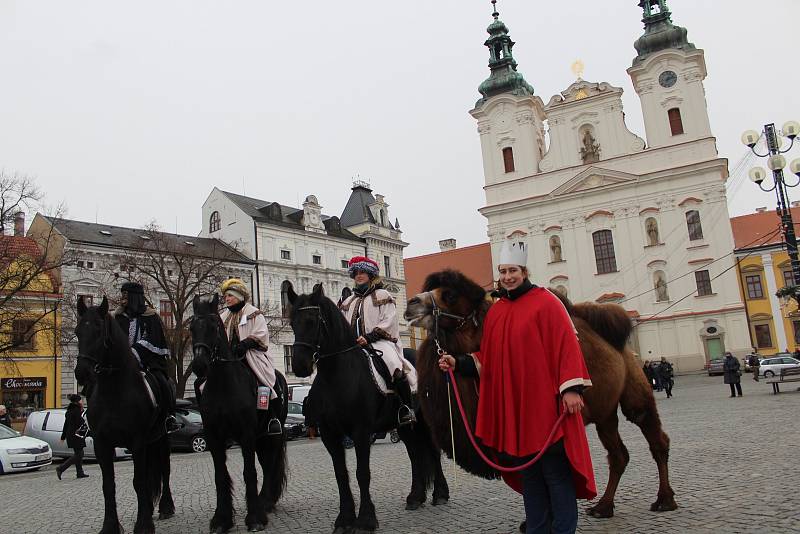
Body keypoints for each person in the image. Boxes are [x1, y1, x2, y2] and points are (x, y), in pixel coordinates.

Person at [439, 241, 595, 534]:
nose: (508, 276)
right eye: (503, 272)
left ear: (524, 271)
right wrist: (458, 362)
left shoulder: (548, 302)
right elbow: (491, 359)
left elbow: (566, 347)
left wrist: (572, 389)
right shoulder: (497, 313)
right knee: (531, 478)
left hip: (546, 408)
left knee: (555, 475)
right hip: (518, 412)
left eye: (513, 270)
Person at [339, 256, 417, 426]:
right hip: (354, 346)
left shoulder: (383, 295)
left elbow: (389, 321)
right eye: (356, 273)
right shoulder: (348, 301)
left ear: (370, 275)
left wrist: (368, 338)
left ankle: (406, 407)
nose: (359, 276)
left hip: (380, 341)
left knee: (393, 363)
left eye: (363, 272)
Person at [113, 282, 180, 433]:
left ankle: (169, 416)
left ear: (134, 297)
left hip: (147, 362)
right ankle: (88, 419)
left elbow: (153, 337)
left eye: (126, 295)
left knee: (163, 382)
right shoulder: (117, 317)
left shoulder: (151, 316)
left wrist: (134, 352)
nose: (123, 298)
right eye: (122, 294)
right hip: (121, 363)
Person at [219, 278, 282, 436]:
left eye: (230, 296)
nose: (226, 299)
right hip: (228, 358)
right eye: (225, 296)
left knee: (264, 380)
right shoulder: (223, 316)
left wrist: (245, 344)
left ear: (239, 297)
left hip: (251, 355)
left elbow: (261, 334)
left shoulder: (253, 313)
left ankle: (272, 418)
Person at [56, 394, 89, 480]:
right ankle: (61, 468)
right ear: (77, 402)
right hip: (76, 435)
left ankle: (80, 472)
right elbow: (81, 424)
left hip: (71, 435)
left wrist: (63, 437)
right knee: (80, 454)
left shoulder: (69, 411)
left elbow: (66, 425)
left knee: (78, 453)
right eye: (81, 400)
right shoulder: (77, 411)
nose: (82, 401)